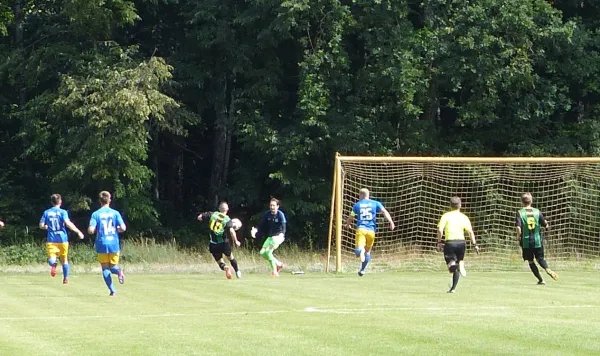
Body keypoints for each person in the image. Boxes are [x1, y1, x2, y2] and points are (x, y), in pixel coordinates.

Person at [345, 188, 395, 276]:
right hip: (371, 231)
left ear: (361, 195)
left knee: (358, 251)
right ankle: (362, 270)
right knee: (367, 252)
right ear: (368, 195)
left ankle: (360, 251)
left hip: (361, 229)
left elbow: (351, 217)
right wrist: (391, 222)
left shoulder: (357, 205)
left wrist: (348, 224)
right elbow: (384, 212)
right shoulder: (375, 203)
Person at [39, 194, 85, 284]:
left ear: (52, 202)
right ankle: (65, 278)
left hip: (51, 239)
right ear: (60, 202)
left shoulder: (46, 212)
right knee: (64, 259)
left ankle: (53, 264)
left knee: (51, 258)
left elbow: (41, 225)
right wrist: (78, 232)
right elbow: (68, 223)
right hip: (63, 239)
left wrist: (45, 227)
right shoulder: (63, 212)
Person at [437, 196, 479, 293]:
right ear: (460, 205)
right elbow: (470, 232)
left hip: (450, 242)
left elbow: (440, 229)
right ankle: (453, 289)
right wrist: (474, 244)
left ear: (450, 205)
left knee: (451, 267)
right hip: (461, 243)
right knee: (457, 264)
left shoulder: (446, 216)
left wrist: (439, 241)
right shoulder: (464, 217)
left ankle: (458, 267)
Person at [88, 191, 126, 296]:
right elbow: (123, 228)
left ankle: (112, 290)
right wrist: (116, 229)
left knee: (105, 268)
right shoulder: (115, 213)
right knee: (113, 266)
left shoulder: (96, 214)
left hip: (102, 243)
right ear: (109, 200)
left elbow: (91, 230)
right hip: (113, 243)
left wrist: (94, 230)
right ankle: (119, 272)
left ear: (100, 201)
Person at [515, 192, 558, 285]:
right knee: (540, 259)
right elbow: (546, 225)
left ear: (522, 202)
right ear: (531, 201)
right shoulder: (537, 211)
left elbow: (518, 227)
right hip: (537, 240)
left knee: (531, 261)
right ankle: (547, 269)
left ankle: (541, 280)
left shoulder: (520, 212)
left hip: (526, 241)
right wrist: (546, 227)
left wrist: (518, 236)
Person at [197, 202, 243, 279]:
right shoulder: (227, 219)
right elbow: (231, 231)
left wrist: (203, 218)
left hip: (213, 244)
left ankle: (225, 268)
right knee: (230, 257)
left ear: (219, 209)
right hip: (224, 243)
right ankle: (237, 271)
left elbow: (199, 217)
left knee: (219, 261)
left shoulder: (212, 214)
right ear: (227, 209)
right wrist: (236, 241)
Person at [251, 198, 287, 277]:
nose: (272, 207)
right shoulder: (267, 214)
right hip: (270, 237)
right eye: (271, 205)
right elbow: (261, 224)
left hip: (278, 237)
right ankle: (278, 264)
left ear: (277, 206)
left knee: (268, 252)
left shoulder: (280, 214)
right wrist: (255, 230)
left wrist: (282, 234)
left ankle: (275, 271)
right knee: (262, 253)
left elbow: (284, 226)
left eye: (274, 205)